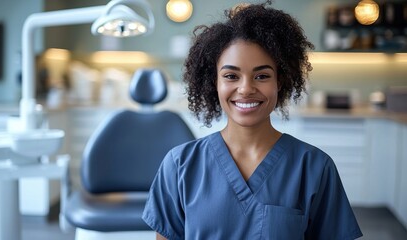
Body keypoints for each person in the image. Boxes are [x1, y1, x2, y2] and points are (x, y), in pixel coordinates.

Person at [142, 2, 363, 239]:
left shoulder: (314, 168)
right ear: (213, 81)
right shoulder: (179, 166)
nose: (246, 88)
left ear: (280, 81)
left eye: (262, 76)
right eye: (231, 76)